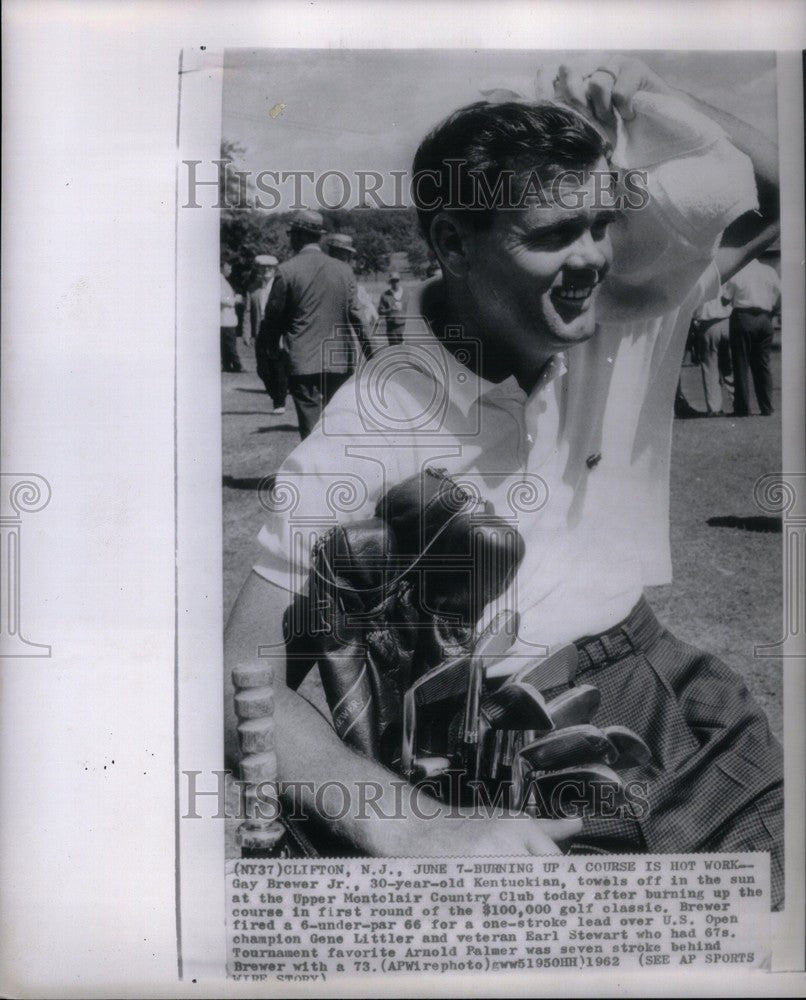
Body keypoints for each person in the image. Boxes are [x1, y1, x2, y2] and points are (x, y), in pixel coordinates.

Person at [226, 58, 783, 904]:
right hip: (505, 748)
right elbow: (242, 670)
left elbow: (775, 192)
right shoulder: (376, 420)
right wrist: (407, 823)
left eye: (601, 223)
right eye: (554, 233)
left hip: (673, 696)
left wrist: (644, 95)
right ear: (452, 243)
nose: (594, 257)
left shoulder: (626, 318)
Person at [260, 209, 367, 439]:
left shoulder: (287, 271)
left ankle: (317, 472)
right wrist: (374, 354)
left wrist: (271, 350)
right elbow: (358, 316)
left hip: (303, 360)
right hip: (339, 360)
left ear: (298, 235)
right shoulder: (344, 270)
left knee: (311, 428)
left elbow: (273, 318)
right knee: (337, 423)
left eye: (291, 235)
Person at [722, 255, 781, 416]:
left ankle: (742, 408)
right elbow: (780, 294)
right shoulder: (769, 271)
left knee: (740, 363)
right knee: (762, 364)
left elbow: (724, 300)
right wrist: (772, 311)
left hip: (743, 318)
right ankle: (767, 407)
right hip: (764, 318)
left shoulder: (738, 272)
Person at [326, 233, 383, 355]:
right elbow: (358, 314)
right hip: (340, 346)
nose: (350, 258)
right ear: (341, 253)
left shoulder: (317, 273)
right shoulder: (346, 277)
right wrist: (371, 349)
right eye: (348, 254)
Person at [246, 254, 289, 414]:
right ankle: (275, 393)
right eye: (263, 268)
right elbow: (247, 311)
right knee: (261, 368)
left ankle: (280, 402)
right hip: (260, 329)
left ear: (274, 269)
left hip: (276, 329)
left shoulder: (280, 286)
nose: (266, 271)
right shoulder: (253, 288)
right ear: (258, 269)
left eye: (269, 268)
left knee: (277, 365)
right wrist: (246, 333)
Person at [692, 289, 733, 416]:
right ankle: (739, 403)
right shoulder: (726, 279)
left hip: (708, 324)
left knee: (710, 368)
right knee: (730, 367)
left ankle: (715, 408)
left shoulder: (701, 283)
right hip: (728, 321)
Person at [220, 259, 243, 373]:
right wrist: (235, 300)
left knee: (226, 343)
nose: (230, 270)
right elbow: (221, 298)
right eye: (228, 268)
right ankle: (236, 364)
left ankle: (227, 364)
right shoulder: (219, 281)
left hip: (227, 317)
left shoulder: (223, 281)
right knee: (229, 343)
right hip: (225, 318)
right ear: (221, 268)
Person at [377, 272, 409, 344]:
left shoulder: (407, 294)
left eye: (396, 280)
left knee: (405, 351)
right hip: (392, 328)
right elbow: (380, 311)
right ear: (390, 282)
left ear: (400, 281)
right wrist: (390, 310)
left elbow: (412, 309)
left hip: (404, 327)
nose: (395, 283)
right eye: (393, 281)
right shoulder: (385, 295)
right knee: (394, 350)